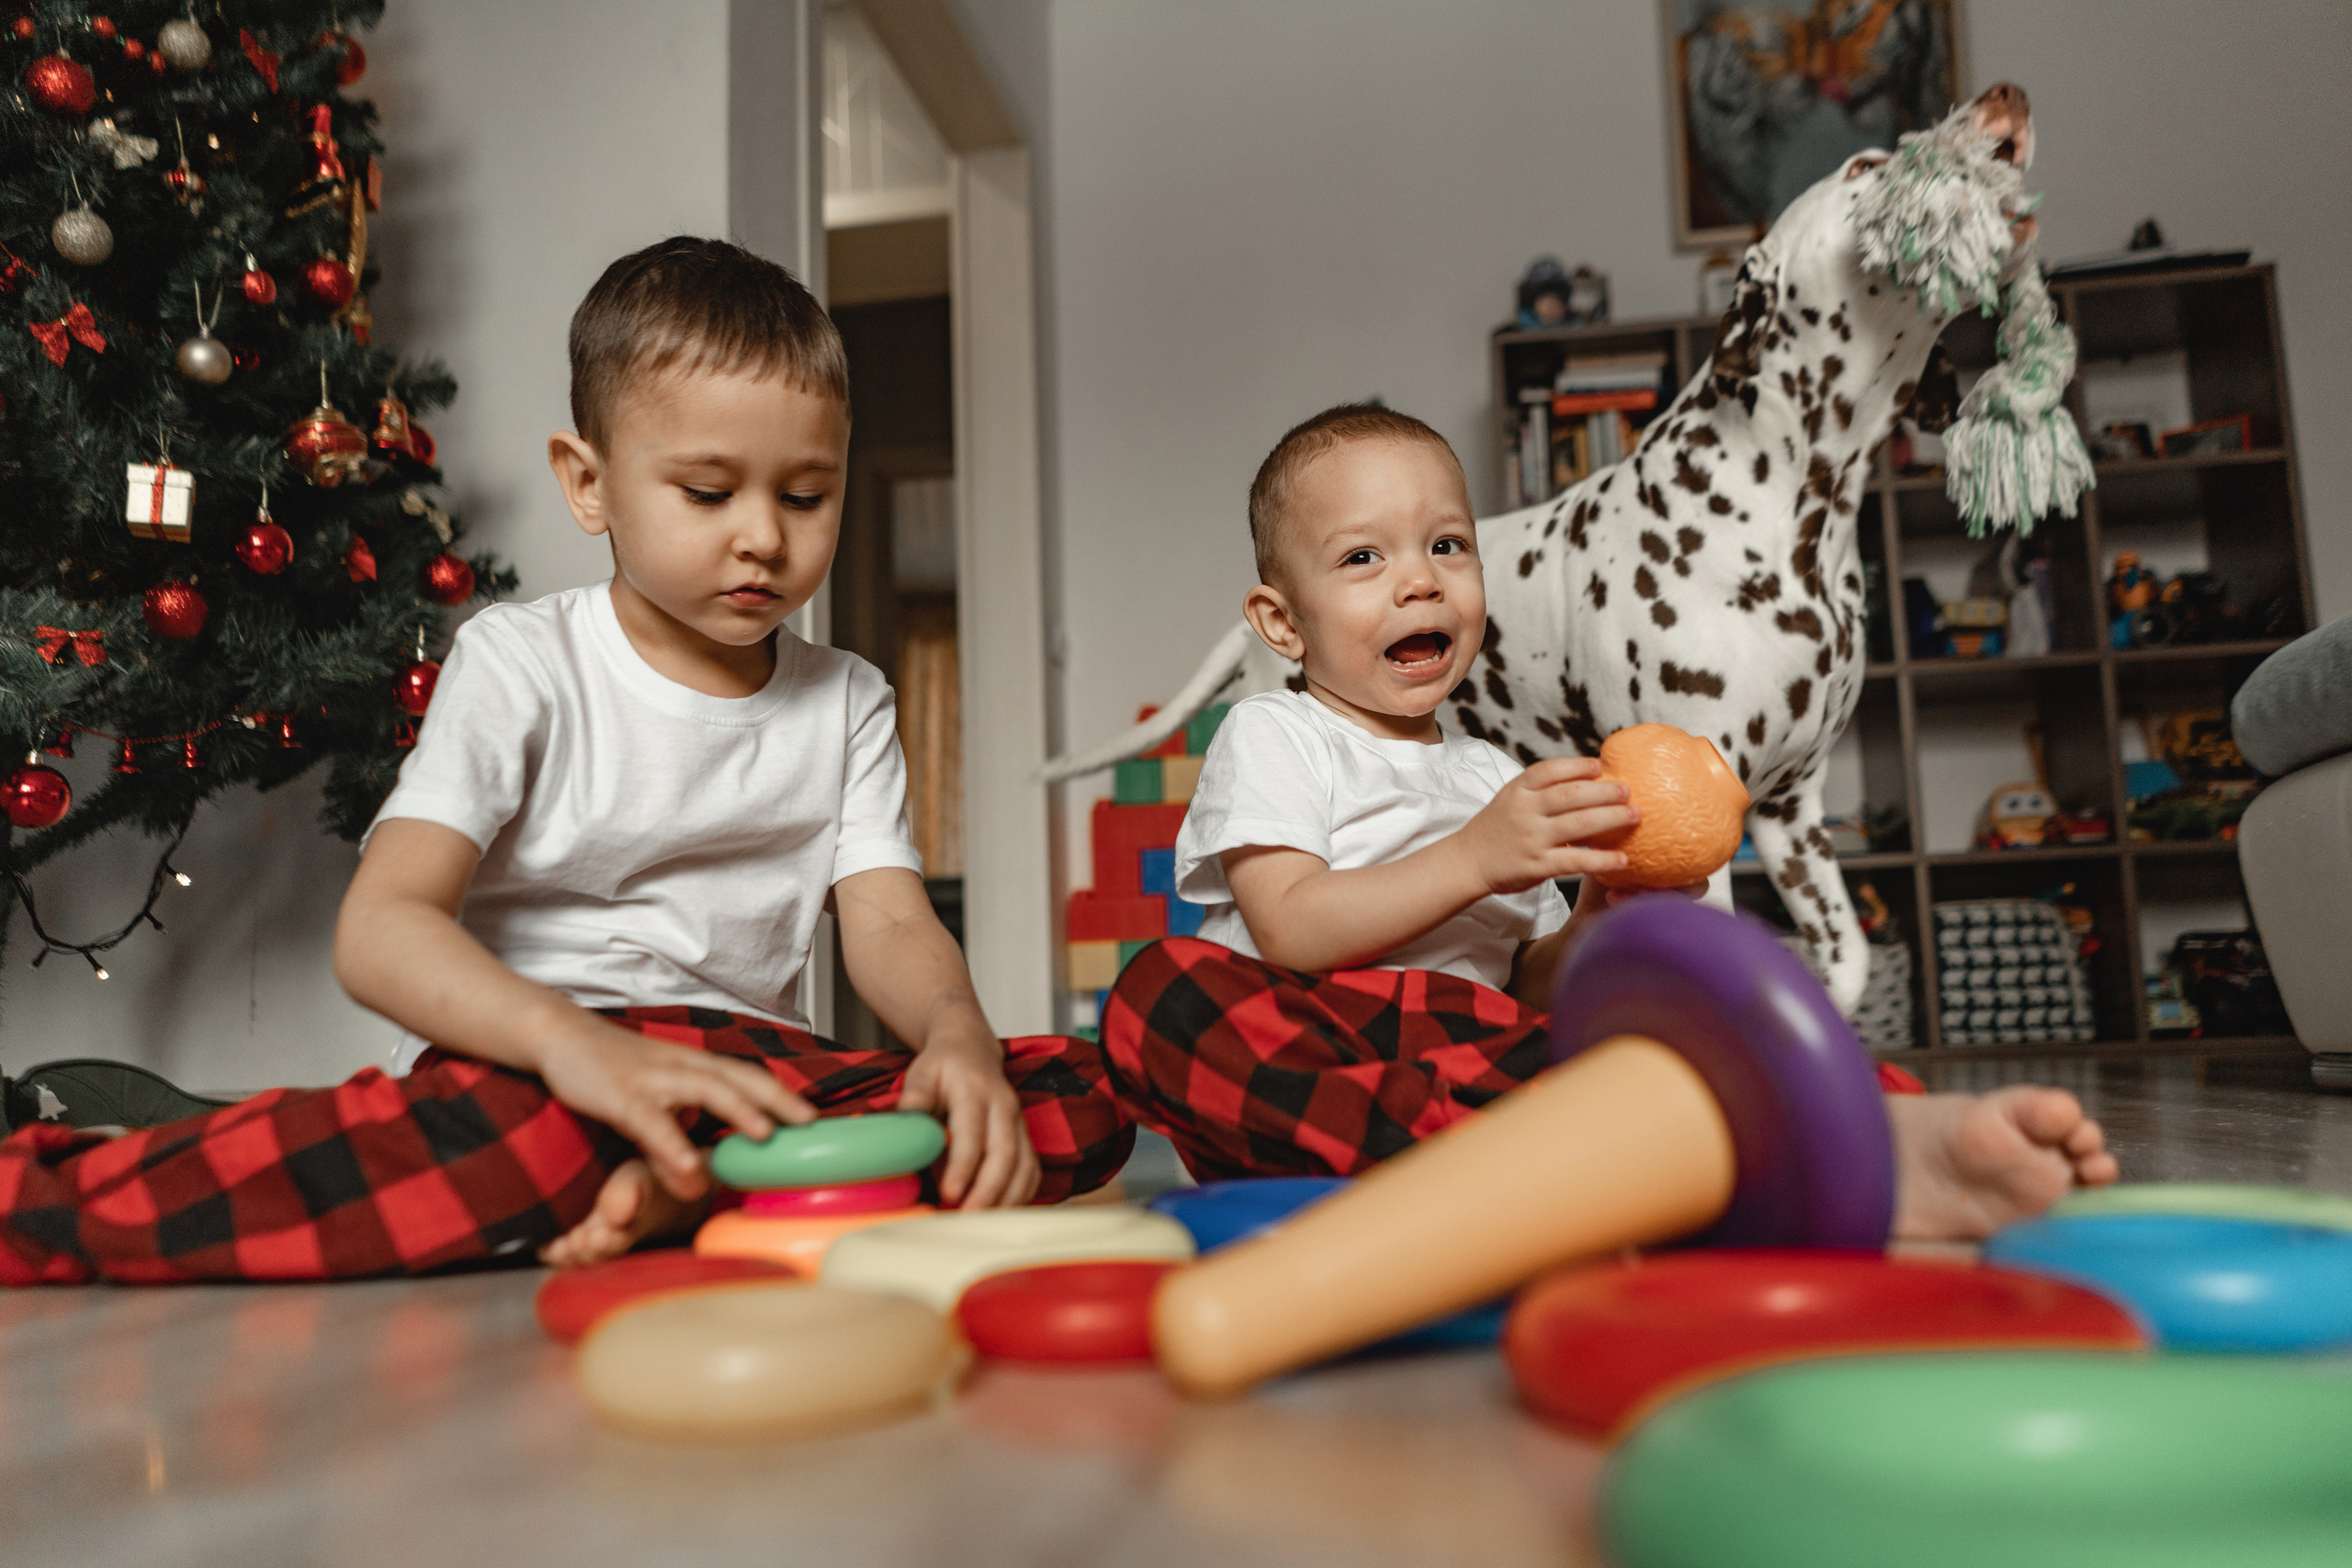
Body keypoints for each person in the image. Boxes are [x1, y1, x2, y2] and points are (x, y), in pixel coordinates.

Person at [0, 239, 1129, 1287]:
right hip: (536, 1064)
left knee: (1066, 1094)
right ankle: (44, 1198)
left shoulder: (849, 700)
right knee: (521, 1146)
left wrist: (957, 1039)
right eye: (707, 492)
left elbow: (887, 922)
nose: (764, 537)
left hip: (748, 1079)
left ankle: (689, 1189)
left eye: (805, 496)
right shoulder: (522, 661)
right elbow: (381, 933)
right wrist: (572, 1047)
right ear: (589, 484)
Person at [1102, 403, 2117, 1238]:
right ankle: (1623, 1162)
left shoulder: (1491, 774)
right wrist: (1475, 857)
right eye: (1363, 557)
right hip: (1314, 1055)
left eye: (1448, 545)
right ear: (1282, 622)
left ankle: (1874, 1139)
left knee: (1677, 1021)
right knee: (1159, 994)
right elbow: (1289, 927)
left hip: (1471, 1060)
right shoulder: (1277, 731)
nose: (1420, 579)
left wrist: (1598, 911)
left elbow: (1530, 982)